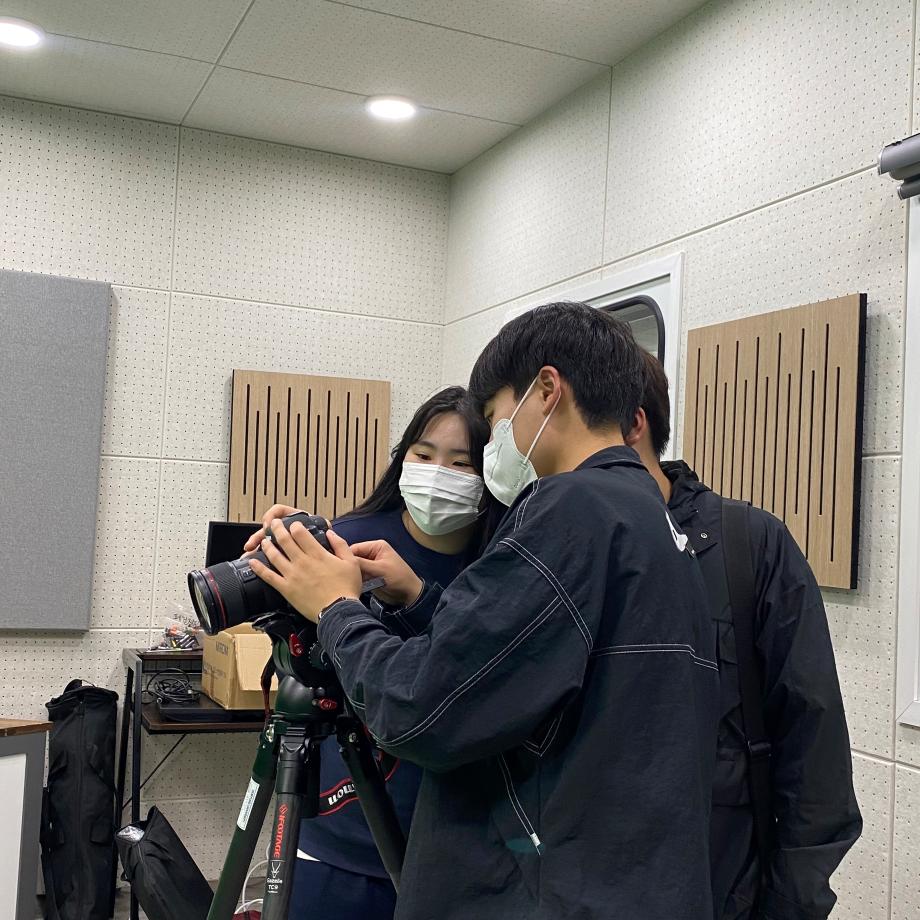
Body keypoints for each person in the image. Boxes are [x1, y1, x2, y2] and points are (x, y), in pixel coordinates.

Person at [249, 302, 721, 920]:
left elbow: (422, 708)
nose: (496, 442)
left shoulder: (569, 509)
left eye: (496, 419)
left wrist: (335, 608)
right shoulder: (650, 517)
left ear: (546, 390)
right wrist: (418, 600)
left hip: (542, 888)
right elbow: (526, 669)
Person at [241, 386, 497, 920]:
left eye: (461, 464)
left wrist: (417, 600)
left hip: (451, 839)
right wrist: (287, 564)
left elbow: (475, 676)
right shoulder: (349, 541)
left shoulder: (501, 562)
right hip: (336, 831)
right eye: (423, 454)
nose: (437, 474)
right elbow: (301, 658)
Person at [624, 350, 862, 919]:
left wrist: (788, 905)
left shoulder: (749, 544)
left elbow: (814, 748)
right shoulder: (557, 546)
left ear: (633, 424)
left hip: (722, 889)